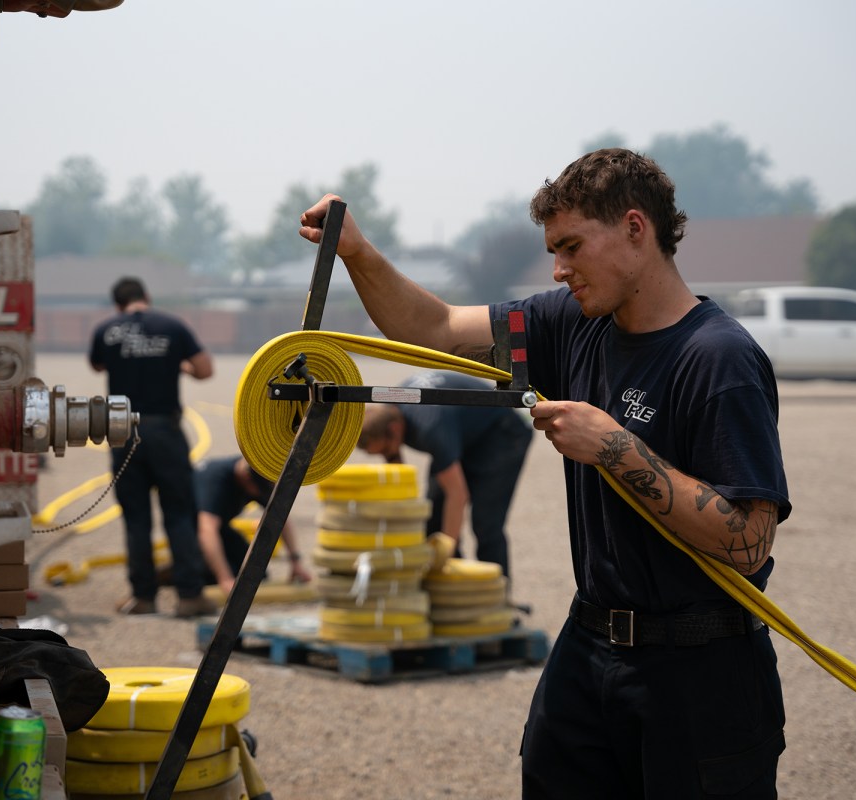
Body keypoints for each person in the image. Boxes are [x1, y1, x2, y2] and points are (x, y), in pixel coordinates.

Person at [299, 149, 790, 799]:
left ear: (635, 229)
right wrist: (358, 253)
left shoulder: (719, 359)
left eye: (572, 247)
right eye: (553, 251)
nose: (559, 270)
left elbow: (749, 541)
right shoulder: (571, 324)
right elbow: (435, 328)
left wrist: (615, 448)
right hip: (590, 646)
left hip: (701, 670)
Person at [89, 276, 218, 618]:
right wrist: (178, 363)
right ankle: (189, 596)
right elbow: (205, 370)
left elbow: (98, 364)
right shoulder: (172, 326)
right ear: (146, 296)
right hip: (164, 431)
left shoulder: (106, 330)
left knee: (136, 517)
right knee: (179, 512)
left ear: (118, 304)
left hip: (123, 431)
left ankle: (143, 598)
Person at [356, 370, 531, 579]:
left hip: (501, 434)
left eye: (385, 450)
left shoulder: (429, 427)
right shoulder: (390, 406)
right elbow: (396, 466)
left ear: (394, 429)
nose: (387, 456)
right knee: (433, 519)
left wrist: (445, 555)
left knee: (486, 523)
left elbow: (457, 495)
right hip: (462, 432)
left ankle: (495, 591)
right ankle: (454, 588)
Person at [194, 455, 313, 594]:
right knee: (212, 575)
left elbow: (280, 518)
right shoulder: (215, 481)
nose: (261, 494)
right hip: (189, 532)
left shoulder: (257, 472)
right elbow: (206, 530)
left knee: (254, 575)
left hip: (220, 529)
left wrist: (295, 562)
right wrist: (224, 578)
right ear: (246, 478)